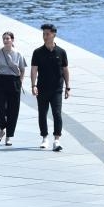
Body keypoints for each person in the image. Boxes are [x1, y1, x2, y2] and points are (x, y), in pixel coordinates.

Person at [30, 23, 70, 152]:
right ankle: (44, 138)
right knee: (42, 113)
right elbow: (34, 70)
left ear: (54, 35)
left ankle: (57, 140)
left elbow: (65, 70)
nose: (45, 36)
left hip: (57, 89)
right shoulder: (37, 52)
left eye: (47, 34)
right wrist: (33, 85)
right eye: (43, 34)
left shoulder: (61, 52)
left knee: (57, 113)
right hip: (42, 88)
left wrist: (68, 87)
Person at [0, 32, 27, 146]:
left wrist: (20, 82)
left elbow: (22, 69)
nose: (6, 40)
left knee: (13, 110)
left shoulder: (18, 54)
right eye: (4, 39)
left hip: (14, 81)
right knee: (0, 108)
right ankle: (2, 129)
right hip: (0, 80)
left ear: (12, 40)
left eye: (8, 38)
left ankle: (9, 135)